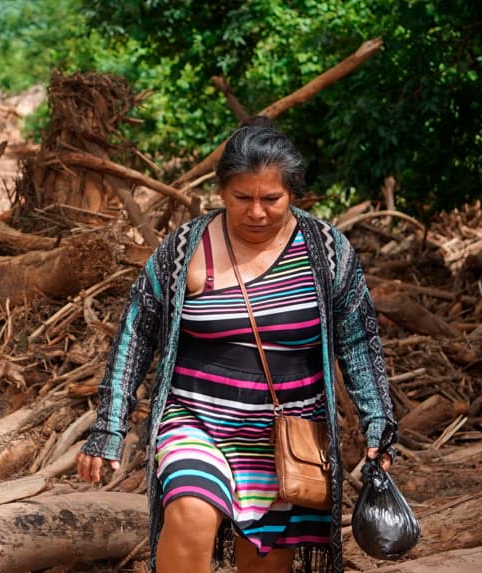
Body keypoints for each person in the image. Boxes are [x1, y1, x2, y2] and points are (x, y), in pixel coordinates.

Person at [76, 116, 398, 573]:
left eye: (272, 199)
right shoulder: (184, 248)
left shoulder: (326, 251)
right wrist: (109, 428)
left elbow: (359, 339)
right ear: (221, 191)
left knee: (265, 562)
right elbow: (136, 332)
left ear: (293, 194)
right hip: (196, 420)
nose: (257, 212)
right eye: (242, 198)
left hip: (287, 439)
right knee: (190, 513)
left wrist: (378, 424)